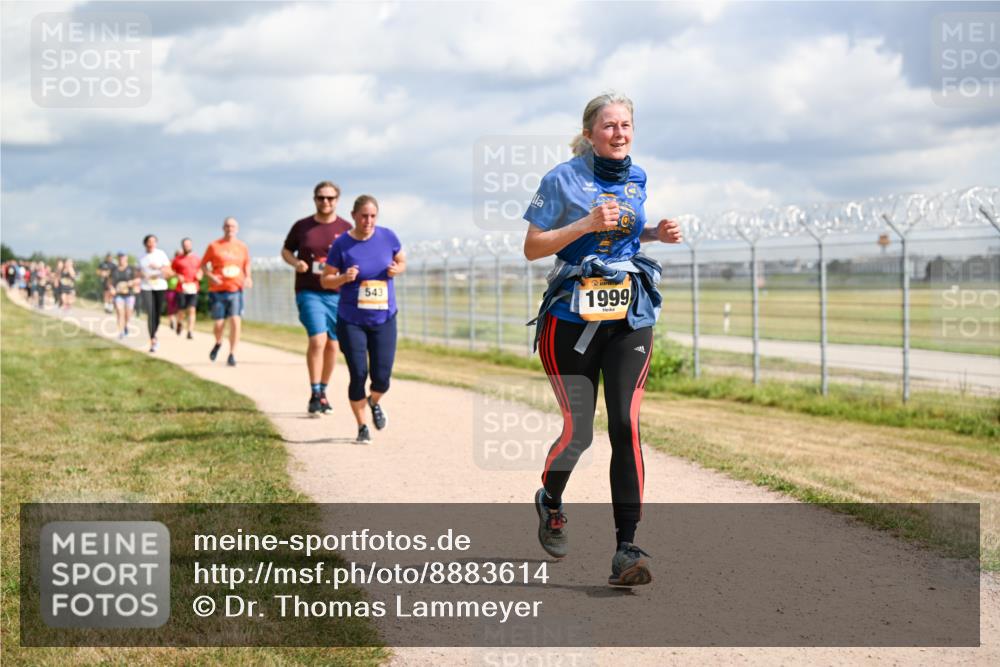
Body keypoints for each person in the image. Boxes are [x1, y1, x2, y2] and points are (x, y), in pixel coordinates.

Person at [523, 92, 683, 587]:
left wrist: (655, 232)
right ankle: (551, 501)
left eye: (626, 125)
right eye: (609, 125)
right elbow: (532, 248)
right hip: (570, 320)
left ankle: (626, 549)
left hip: (629, 313)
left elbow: (626, 240)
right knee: (579, 432)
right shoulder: (560, 178)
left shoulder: (638, 177)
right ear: (590, 132)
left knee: (625, 425)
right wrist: (586, 223)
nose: (619, 133)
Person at [321, 195, 405, 443]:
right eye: (363, 216)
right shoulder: (342, 244)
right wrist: (343, 278)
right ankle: (361, 427)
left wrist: (396, 270)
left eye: (373, 216)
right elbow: (326, 279)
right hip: (351, 319)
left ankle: (373, 401)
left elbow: (402, 261)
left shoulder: (388, 237)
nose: (368, 221)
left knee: (382, 378)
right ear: (354, 216)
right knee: (358, 374)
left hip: (384, 317)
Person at [282, 181, 352, 415]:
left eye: (330, 198)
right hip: (309, 291)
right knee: (318, 340)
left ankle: (323, 391)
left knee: (334, 344)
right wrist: (296, 263)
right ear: (314, 199)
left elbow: (355, 257)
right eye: (321, 198)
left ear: (337, 200)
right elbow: (286, 251)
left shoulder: (346, 228)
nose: (326, 202)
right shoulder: (302, 226)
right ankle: (314, 393)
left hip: (337, 294)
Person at [202, 217, 252, 366]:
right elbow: (204, 265)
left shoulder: (242, 246)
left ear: (237, 229)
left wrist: (248, 277)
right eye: (228, 226)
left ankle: (232, 354)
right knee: (219, 323)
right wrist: (211, 276)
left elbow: (247, 264)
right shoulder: (214, 246)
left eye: (233, 226)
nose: (230, 229)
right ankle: (218, 342)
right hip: (218, 289)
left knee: (236, 321)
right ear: (223, 228)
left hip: (235, 289)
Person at [138, 234, 172, 353]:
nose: (151, 243)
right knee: (150, 312)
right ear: (145, 243)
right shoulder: (141, 256)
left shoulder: (161, 254)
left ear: (156, 243)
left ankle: (154, 333)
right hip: (146, 286)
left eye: (153, 241)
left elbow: (169, 272)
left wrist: (158, 267)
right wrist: (142, 274)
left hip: (160, 286)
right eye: (149, 241)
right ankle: (153, 339)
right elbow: (138, 272)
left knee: (157, 314)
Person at [171, 237, 202, 340]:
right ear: (182, 246)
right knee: (181, 310)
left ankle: (190, 331)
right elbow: (170, 271)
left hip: (193, 287)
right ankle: (179, 323)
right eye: (185, 245)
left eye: (188, 245)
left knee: (192, 310)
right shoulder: (177, 259)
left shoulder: (197, 258)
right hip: (181, 288)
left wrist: (199, 275)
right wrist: (177, 275)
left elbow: (201, 270)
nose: (187, 246)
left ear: (191, 245)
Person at [109, 252, 139, 338]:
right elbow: (110, 281)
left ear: (126, 258)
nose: (121, 259)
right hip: (118, 295)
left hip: (129, 294)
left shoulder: (131, 268)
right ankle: (120, 331)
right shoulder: (114, 269)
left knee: (128, 314)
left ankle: (126, 325)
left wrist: (132, 282)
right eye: (119, 258)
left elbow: (138, 279)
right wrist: (111, 288)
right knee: (119, 312)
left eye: (123, 257)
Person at [165, 252, 181, 334]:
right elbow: (165, 276)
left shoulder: (182, 266)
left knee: (179, 308)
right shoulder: (170, 265)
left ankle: (178, 323)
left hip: (181, 290)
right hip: (170, 289)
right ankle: (171, 321)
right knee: (171, 307)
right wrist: (174, 274)